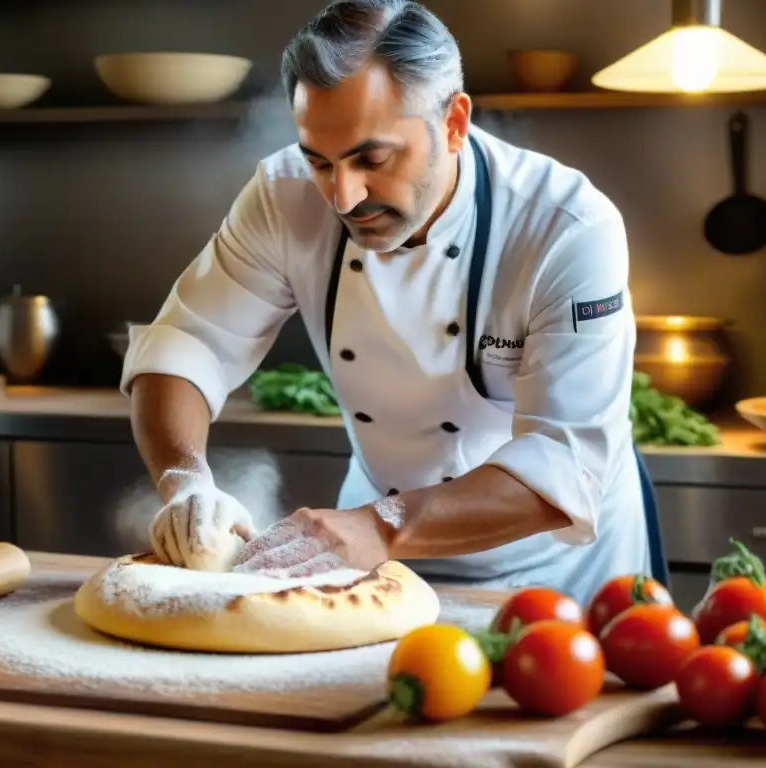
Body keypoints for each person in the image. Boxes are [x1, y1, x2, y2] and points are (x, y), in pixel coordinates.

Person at [121, 0, 659, 606]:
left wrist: (380, 524)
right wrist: (185, 481)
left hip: (556, 572)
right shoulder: (282, 197)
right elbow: (188, 343)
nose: (344, 197)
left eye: (372, 159)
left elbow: (562, 463)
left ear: (453, 123)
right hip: (376, 559)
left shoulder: (566, 226)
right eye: (318, 161)